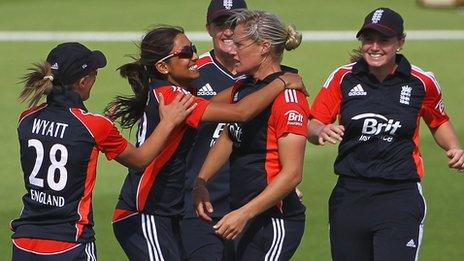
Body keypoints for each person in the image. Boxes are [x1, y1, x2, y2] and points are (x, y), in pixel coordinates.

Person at [108, 25, 304, 261]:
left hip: (163, 212)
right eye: (185, 52)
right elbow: (241, 112)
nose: (195, 56)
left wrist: (257, 82)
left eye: (194, 49)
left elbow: (229, 98)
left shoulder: (175, 92)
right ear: (162, 66)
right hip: (145, 212)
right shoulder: (173, 98)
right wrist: (281, 82)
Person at [10, 42, 196, 260]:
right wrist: (169, 122)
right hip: (70, 242)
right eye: (94, 73)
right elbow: (140, 159)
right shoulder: (94, 126)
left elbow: (66, 138)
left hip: (25, 242)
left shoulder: (27, 119)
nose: (95, 78)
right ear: (82, 81)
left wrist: (101, 126)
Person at [307, 8, 464, 261]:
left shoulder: (422, 82)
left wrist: (454, 148)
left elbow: (438, 120)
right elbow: (311, 124)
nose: (375, 47)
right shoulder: (342, 77)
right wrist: (321, 130)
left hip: (400, 196)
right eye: (369, 40)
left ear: (400, 43)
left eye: (384, 40)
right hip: (350, 195)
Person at [193, 10, 309, 260]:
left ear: (264, 47)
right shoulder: (244, 88)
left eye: (240, 44)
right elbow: (229, 135)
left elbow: (292, 174)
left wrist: (244, 213)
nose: (232, 50)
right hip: (244, 217)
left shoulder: (288, 99)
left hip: (273, 221)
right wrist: (200, 181)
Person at [180, 0, 247, 260]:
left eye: (235, 23)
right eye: (221, 24)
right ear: (208, 28)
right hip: (198, 205)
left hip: (247, 204)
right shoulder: (192, 73)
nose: (228, 31)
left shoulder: (261, 72)